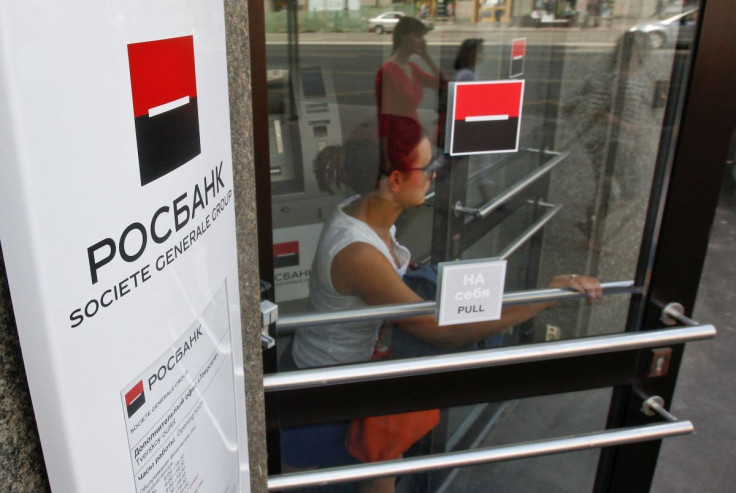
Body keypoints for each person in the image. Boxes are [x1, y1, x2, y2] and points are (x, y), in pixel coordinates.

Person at [283, 118, 602, 493]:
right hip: (328, 396)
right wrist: (544, 297)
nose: (435, 175)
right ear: (396, 181)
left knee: (383, 464)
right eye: (428, 167)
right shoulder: (357, 252)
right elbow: (441, 330)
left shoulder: (368, 210)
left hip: (355, 379)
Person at [375, 16, 445, 144]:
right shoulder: (387, 72)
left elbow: (442, 84)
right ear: (403, 36)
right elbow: (384, 119)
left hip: (414, 136)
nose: (422, 41)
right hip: (397, 142)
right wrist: (384, 158)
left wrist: (426, 56)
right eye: (418, 36)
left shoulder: (413, 69)